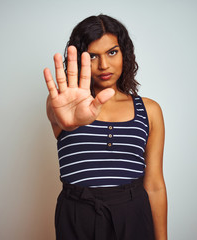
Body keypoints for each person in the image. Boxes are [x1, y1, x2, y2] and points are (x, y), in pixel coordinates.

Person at [43, 14, 167, 240]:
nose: (103, 65)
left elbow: (155, 184)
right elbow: (56, 114)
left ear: (125, 53)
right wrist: (64, 116)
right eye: (92, 56)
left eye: (112, 52)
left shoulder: (149, 110)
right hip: (77, 215)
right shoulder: (64, 106)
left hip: (133, 214)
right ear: (80, 59)